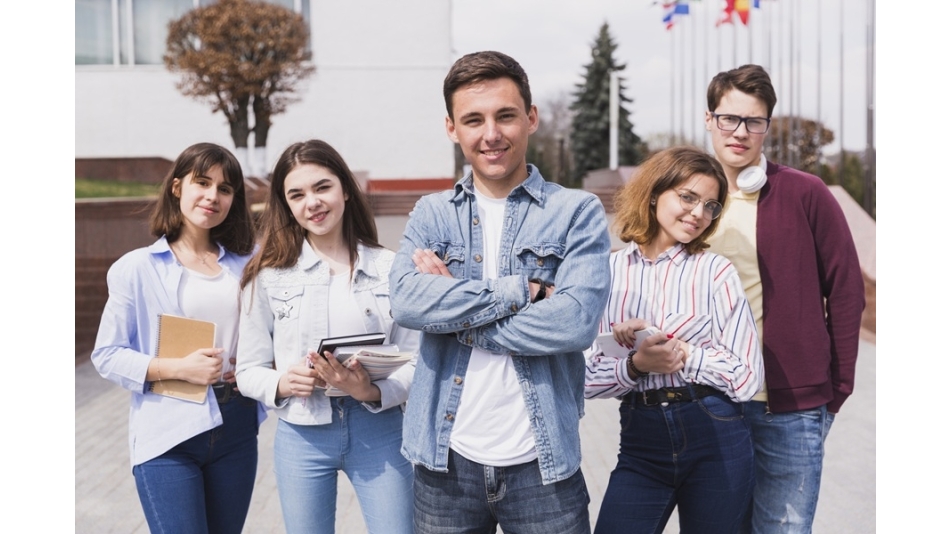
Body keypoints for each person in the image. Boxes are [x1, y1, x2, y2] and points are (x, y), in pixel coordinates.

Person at [388, 50, 611, 534]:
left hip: (543, 463)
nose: (491, 134)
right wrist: (522, 290)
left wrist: (452, 306)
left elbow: (574, 323)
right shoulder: (432, 213)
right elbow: (407, 302)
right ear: (452, 128)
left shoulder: (576, 212)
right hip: (444, 462)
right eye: (474, 119)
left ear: (530, 118)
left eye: (505, 115)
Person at [703, 64, 865, 533]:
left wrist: (837, 389)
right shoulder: (688, 198)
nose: (740, 132)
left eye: (754, 121)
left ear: (767, 127)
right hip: (709, 400)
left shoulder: (804, 192)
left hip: (789, 407)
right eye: (729, 118)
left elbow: (847, 290)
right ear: (709, 119)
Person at [235, 139, 417, 534]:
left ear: (345, 189)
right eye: (296, 195)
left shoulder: (391, 268)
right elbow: (247, 369)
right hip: (302, 434)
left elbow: (418, 358)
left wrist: (371, 391)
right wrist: (282, 381)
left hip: (381, 429)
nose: (312, 203)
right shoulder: (266, 277)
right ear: (286, 205)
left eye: (322, 187)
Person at [584, 146, 763, 534]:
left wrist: (686, 354)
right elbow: (582, 379)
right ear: (653, 193)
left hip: (716, 434)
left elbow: (748, 378)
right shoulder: (608, 272)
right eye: (688, 197)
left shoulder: (716, 272)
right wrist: (635, 365)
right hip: (640, 439)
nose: (699, 213)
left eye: (711, 206)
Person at [91, 142, 261, 534]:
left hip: (235, 423)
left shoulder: (249, 262)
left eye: (225, 188)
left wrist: (257, 364)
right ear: (177, 187)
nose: (212, 196)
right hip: (168, 429)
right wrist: (178, 368)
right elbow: (107, 354)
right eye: (202, 182)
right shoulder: (137, 268)